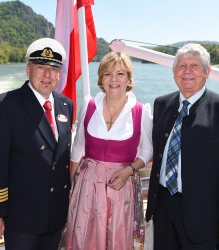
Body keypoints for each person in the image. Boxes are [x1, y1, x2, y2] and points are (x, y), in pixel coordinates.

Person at [146, 43, 219, 250]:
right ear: (174, 72)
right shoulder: (161, 104)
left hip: (203, 215)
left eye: (194, 65)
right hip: (163, 207)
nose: (187, 71)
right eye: (182, 65)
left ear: (207, 72)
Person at [0, 38, 74, 250]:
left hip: (55, 216)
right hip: (22, 218)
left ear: (60, 74)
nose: (47, 75)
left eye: (53, 68)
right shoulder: (4, 106)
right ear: (28, 69)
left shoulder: (65, 105)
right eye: (41, 67)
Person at [65, 51, 153, 249]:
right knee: (83, 237)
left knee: (116, 237)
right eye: (108, 74)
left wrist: (129, 170)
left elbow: (147, 151)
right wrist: (71, 186)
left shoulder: (141, 111)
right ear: (101, 79)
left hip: (120, 186)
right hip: (87, 186)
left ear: (129, 79)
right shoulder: (88, 106)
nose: (114, 79)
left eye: (120, 74)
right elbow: (78, 147)